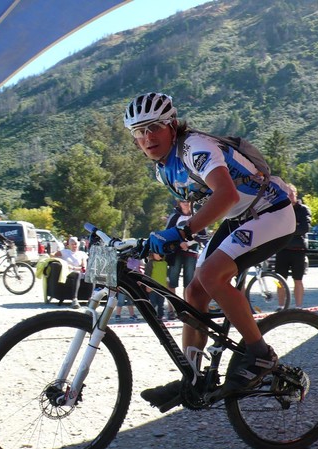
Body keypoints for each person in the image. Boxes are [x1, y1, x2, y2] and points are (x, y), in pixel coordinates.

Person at [124, 92, 296, 409]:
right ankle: (192, 377)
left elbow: (226, 194)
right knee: (194, 292)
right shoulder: (162, 167)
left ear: (172, 126)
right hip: (241, 217)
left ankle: (260, 354)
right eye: (139, 132)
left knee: (210, 274)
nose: (147, 138)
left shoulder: (195, 148)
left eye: (154, 128)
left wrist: (182, 230)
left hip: (272, 210)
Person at [165, 199, 208, 319]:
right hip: (176, 253)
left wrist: (195, 242)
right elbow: (167, 233)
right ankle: (171, 309)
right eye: (183, 201)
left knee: (189, 282)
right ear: (179, 203)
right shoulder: (175, 217)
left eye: (188, 201)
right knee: (172, 281)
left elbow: (204, 235)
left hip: (192, 253)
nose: (186, 203)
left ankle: (187, 309)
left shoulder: (197, 215)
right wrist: (179, 243)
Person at [274, 183, 311, 308]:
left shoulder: (303, 209)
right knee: (280, 280)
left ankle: (298, 306)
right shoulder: (280, 209)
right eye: (286, 194)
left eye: (291, 194)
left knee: (298, 280)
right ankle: (280, 306)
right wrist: (295, 226)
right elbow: (276, 228)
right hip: (282, 249)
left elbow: (305, 228)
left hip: (298, 250)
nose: (289, 196)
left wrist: (288, 228)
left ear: (296, 194)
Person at [54, 236, 88, 309]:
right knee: (77, 274)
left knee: (91, 275)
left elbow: (84, 265)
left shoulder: (82, 253)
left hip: (80, 271)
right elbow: (53, 256)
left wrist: (79, 268)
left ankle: (91, 299)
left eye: (75, 244)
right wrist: (63, 263)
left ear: (78, 244)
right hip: (69, 272)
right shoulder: (64, 252)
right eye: (72, 244)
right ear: (69, 245)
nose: (74, 245)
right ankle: (74, 300)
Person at [145, 253, 168, 319]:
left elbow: (166, 275)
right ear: (152, 254)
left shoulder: (165, 263)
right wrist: (147, 285)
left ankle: (160, 316)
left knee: (161, 303)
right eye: (157, 253)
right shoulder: (150, 263)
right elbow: (147, 275)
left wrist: (167, 284)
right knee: (153, 302)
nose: (159, 255)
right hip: (153, 287)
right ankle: (151, 315)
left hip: (162, 287)